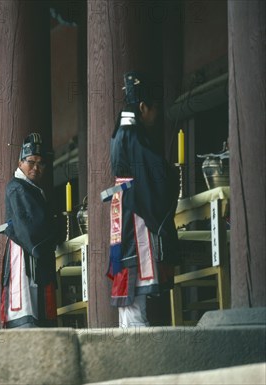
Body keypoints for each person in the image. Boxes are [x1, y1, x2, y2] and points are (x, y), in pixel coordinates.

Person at [107, 71, 179, 327]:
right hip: (133, 209)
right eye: (154, 108)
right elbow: (153, 175)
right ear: (142, 107)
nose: (156, 115)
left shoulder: (119, 133)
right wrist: (170, 174)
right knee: (135, 283)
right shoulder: (133, 135)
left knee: (128, 286)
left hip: (122, 209)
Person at [0, 133, 57, 329]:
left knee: (37, 310)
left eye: (40, 163)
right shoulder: (17, 187)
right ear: (20, 162)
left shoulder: (31, 188)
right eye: (31, 162)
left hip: (30, 253)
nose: (36, 168)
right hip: (25, 255)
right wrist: (49, 239)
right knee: (27, 309)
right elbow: (29, 229)